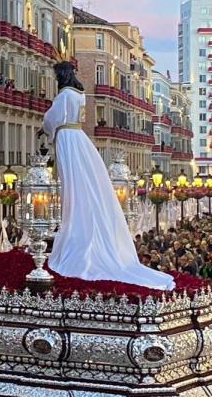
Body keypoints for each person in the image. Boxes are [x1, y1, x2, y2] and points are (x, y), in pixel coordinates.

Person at [41, 61, 174, 289]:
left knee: (72, 184)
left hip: (67, 138)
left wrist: (45, 130)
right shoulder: (79, 94)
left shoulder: (64, 95)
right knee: (78, 183)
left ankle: (75, 237)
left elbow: (52, 119)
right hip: (77, 137)